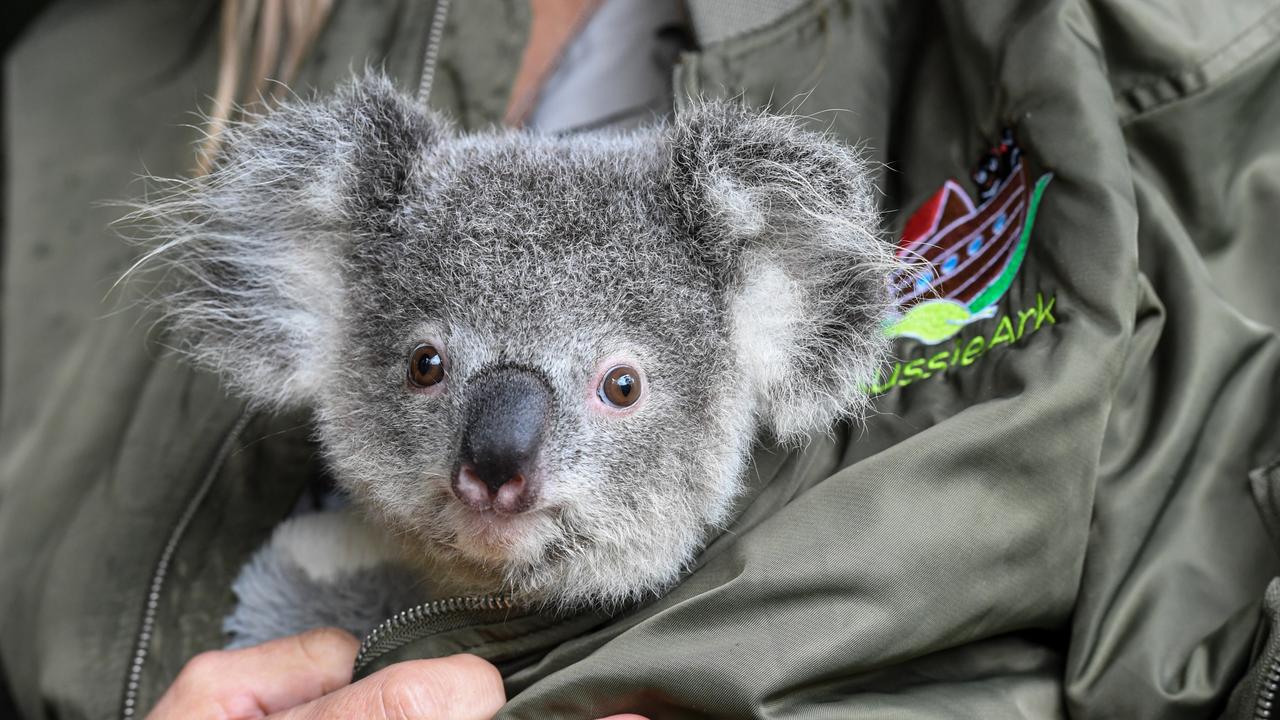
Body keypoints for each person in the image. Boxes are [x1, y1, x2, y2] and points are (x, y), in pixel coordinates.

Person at [3, 0, 1279, 718]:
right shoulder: (63, 99)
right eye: (428, 373)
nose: (497, 461)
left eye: (618, 386)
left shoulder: (1116, 46)